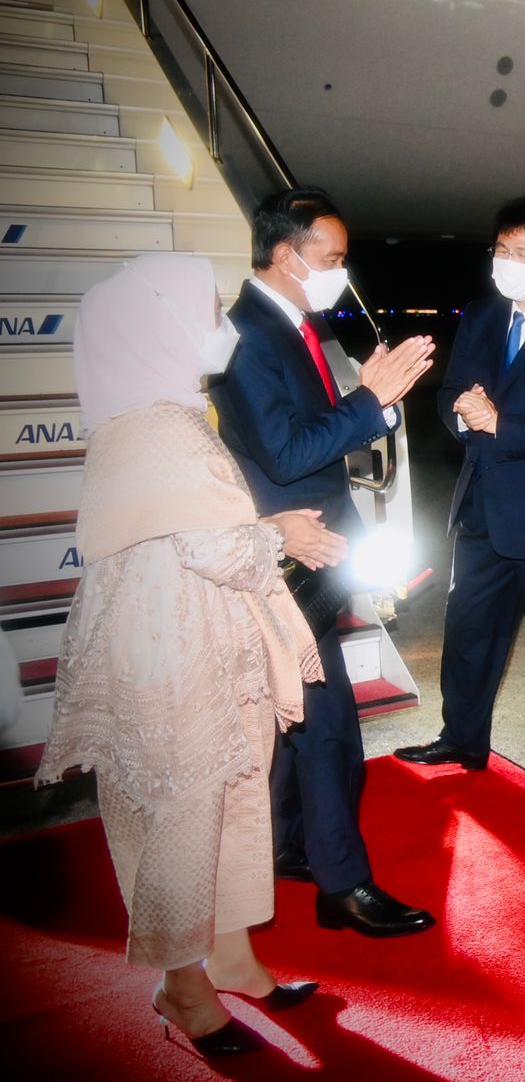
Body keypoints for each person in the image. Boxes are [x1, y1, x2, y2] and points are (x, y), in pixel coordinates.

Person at [40, 254, 338, 1056]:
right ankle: (182, 985)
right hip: (174, 655)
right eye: (206, 313)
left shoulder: (150, 415)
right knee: (182, 812)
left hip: (197, 640)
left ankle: (234, 956)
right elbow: (216, 547)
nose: (223, 328)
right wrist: (280, 534)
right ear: (157, 330)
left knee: (235, 794)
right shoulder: (157, 431)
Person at [211, 188, 436, 937]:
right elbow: (284, 450)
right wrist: (369, 401)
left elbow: (311, 430)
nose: (341, 272)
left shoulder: (293, 324)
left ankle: (291, 845)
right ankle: (343, 884)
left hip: (315, 554)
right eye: (331, 260)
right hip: (284, 559)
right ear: (285, 254)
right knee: (329, 727)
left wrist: (367, 398)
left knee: (303, 725)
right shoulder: (246, 334)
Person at [395, 193, 525, 801]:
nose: (508, 262)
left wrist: (500, 425)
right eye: (501, 250)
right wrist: (463, 416)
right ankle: (461, 737)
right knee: (468, 632)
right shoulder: (484, 316)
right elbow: (452, 393)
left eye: (523, 253)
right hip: (485, 510)